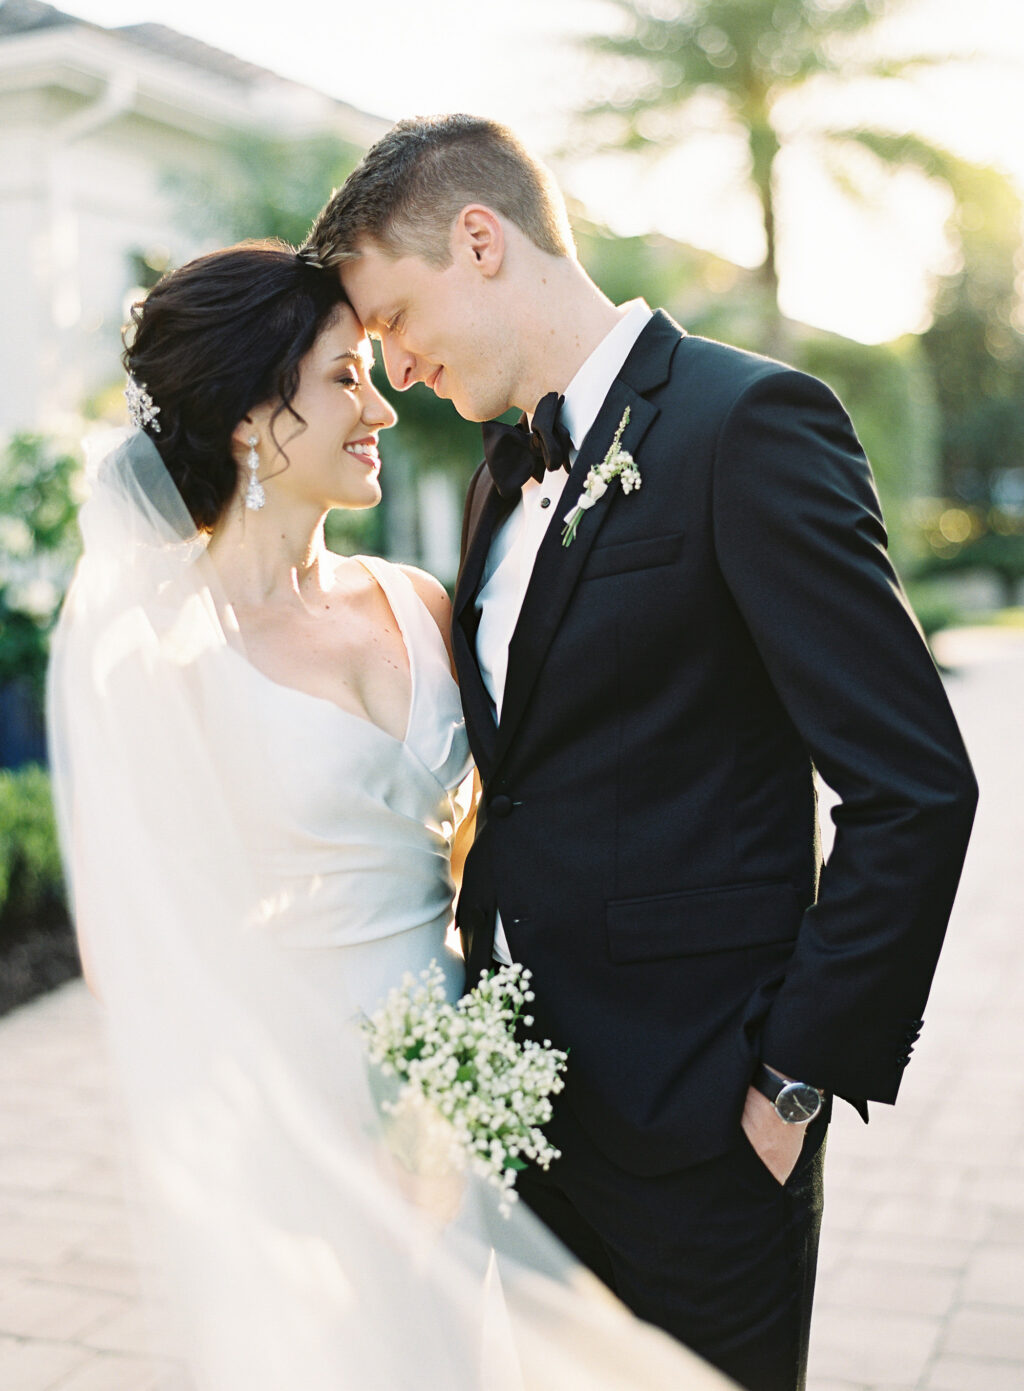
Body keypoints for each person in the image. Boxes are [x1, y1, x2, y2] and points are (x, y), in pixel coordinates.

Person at [308, 114, 980, 1391]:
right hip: (526, 1126)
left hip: (702, 1135)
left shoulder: (752, 424)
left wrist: (790, 1083)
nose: (390, 365)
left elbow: (915, 786)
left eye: (392, 317)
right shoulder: (505, 475)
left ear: (479, 239)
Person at [48, 240, 734, 1390]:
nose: (380, 403)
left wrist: (458, 1065)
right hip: (299, 1111)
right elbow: (132, 951)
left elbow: (494, 822)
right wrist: (323, 1112)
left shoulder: (416, 601)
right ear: (252, 419)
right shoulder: (163, 658)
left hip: (464, 1082)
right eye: (341, 378)